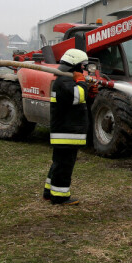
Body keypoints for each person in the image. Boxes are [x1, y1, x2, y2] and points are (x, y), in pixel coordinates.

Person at [43, 48, 91, 205]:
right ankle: (60, 197)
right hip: (66, 132)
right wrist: (82, 83)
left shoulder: (64, 80)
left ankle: (49, 192)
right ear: (74, 65)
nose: (83, 69)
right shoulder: (64, 81)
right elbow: (78, 96)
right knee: (64, 166)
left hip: (64, 132)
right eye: (82, 65)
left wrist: (85, 86)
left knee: (58, 164)